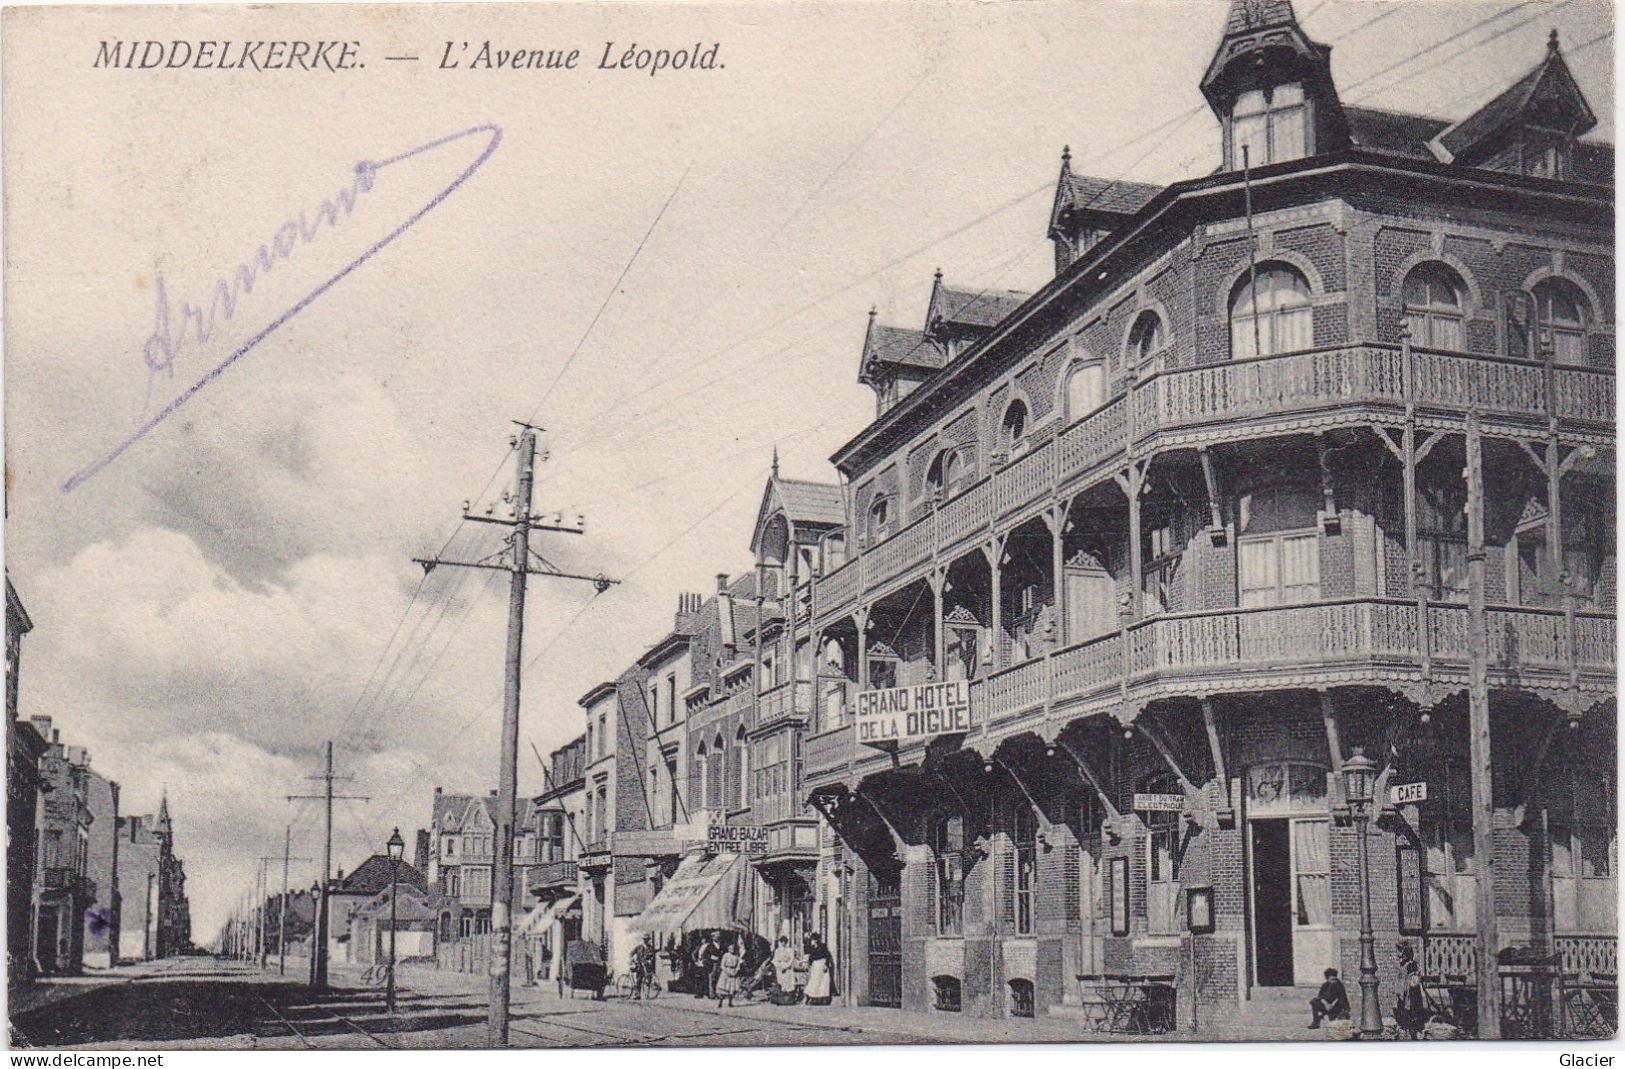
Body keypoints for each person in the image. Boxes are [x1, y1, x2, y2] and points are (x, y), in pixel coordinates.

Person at [1393, 941, 1427, 1038]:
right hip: (1402, 996)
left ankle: (1414, 1033)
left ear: (1405, 953)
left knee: (1412, 1016)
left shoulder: (1411, 965)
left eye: (1400, 952)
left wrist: (1404, 992)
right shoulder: (1403, 965)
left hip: (1410, 995)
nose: (1398, 955)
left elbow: (1413, 982)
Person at [803, 933, 834, 1006]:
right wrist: (808, 965)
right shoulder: (812, 948)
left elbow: (827, 956)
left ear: (816, 940)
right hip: (815, 966)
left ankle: (822, 998)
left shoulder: (823, 946)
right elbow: (810, 957)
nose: (811, 941)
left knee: (822, 982)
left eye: (813, 940)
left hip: (822, 965)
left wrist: (826, 965)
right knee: (814, 981)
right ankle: (813, 997)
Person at [771, 935, 800, 1004]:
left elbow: (792, 959)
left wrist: (786, 966)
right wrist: (779, 966)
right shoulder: (777, 951)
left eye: (784, 942)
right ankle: (781, 1000)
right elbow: (775, 960)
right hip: (780, 969)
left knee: (789, 983)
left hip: (788, 969)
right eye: (782, 942)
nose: (783, 943)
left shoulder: (790, 950)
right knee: (781, 983)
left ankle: (789, 999)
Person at [716, 936, 743, 1008]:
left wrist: (736, 971)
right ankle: (720, 1002)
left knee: (732, 988)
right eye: (731, 949)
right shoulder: (725, 955)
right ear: (728, 949)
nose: (732, 950)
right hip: (726, 972)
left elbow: (738, 965)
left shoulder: (737, 956)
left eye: (733, 949)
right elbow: (722, 965)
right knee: (724, 988)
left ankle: (730, 1002)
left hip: (733, 972)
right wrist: (727, 971)